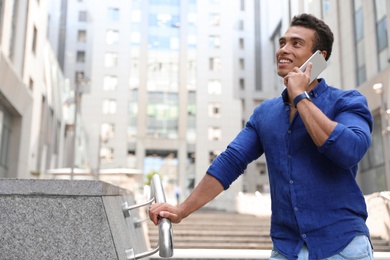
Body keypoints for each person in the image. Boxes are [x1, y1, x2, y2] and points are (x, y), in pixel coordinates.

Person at [149, 13, 374, 259]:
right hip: (286, 249)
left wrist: (300, 97)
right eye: (282, 43)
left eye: (296, 43)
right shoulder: (265, 114)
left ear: (319, 58)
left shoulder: (347, 101)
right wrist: (181, 210)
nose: (283, 50)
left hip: (342, 246)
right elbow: (230, 162)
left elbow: (349, 151)